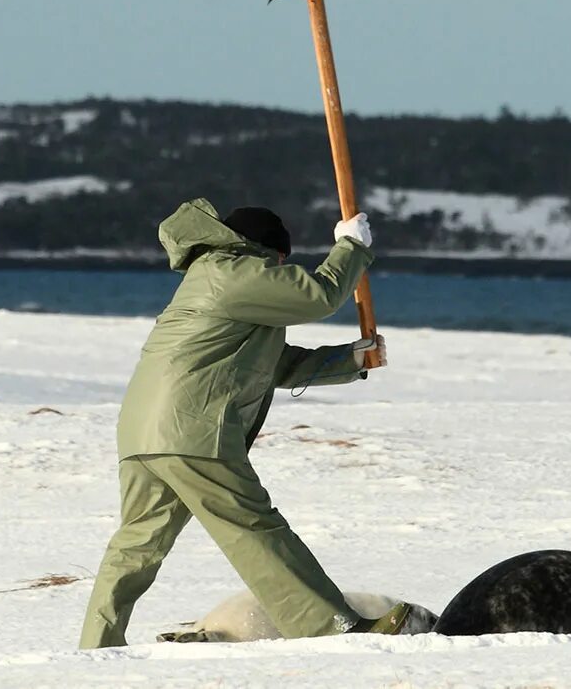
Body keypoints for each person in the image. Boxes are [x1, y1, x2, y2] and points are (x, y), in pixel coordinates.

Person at [79, 198, 405, 649]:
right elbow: (319, 296)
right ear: (268, 252)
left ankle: (97, 645)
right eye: (282, 262)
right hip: (192, 428)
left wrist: (351, 358)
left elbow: (269, 364)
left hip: (144, 431)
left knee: (135, 546)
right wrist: (350, 248)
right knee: (255, 529)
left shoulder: (216, 278)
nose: (282, 269)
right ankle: (330, 629)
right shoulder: (233, 271)